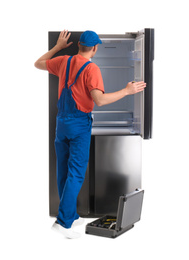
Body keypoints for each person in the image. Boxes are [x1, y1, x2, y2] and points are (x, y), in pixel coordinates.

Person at [34, 30, 146, 239]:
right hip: (79, 125)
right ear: (95, 48)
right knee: (76, 173)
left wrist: (58, 46)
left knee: (64, 171)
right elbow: (100, 101)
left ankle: (70, 214)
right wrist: (127, 91)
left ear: (78, 46)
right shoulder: (92, 69)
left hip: (62, 123)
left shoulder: (63, 61)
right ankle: (63, 223)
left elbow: (38, 63)